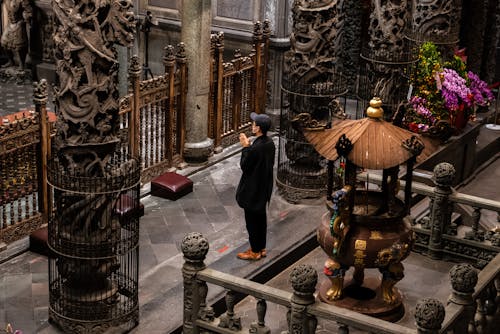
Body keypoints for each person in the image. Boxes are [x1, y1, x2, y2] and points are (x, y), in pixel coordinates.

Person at [236, 112, 275, 260]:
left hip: (252, 191)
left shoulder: (254, 148)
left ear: (257, 129)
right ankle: (261, 247)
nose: (252, 126)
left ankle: (255, 252)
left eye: (253, 124)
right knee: (261, 220)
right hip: (263, 188)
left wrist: (245, 147)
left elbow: (245, 166)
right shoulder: (269, 143)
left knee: (252, 223)